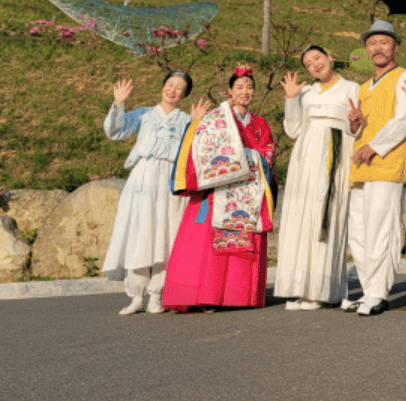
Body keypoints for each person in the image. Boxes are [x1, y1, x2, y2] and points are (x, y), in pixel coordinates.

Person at [162, 64, 277, 312]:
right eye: (240, 87)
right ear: (229, 91)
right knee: (206, 243)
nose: (245, 91)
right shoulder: (217, 119)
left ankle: (239, 296)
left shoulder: (260, 124)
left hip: (248, 191)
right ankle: (205, 295)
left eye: (250, 87)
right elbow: (204, 148)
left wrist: (252, 158)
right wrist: (237, 157)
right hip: (219, 189)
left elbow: (268, 151)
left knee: (243, 241)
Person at [101, 72, 204, 315]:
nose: (173, 90)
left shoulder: (186, 120)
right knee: (140, 234)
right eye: (170, 84)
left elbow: (194, 152)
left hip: (170, 182)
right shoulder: (144, 113)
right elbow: (115, 131)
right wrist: (118, 104)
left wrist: (197, 125)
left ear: (185, 94)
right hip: (143, 178)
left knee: (165, 236)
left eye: (180, 87)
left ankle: (157, 295)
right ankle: (137, 297)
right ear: (162, 86)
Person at [274, 46, 361, 310]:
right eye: (309, 63)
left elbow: (356, 130)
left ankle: (323, 290)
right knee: (301, 217)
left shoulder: (351, 87)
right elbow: (293, 129)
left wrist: (356, 124)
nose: (315, 65)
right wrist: (291, 99)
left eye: (318, 58)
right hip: (305, 159)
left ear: (330, 57)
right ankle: (300, 288)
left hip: (334, 155)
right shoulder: (306, 92)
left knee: (326, 216)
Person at [344, 20, 406, 316]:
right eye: (372, 43)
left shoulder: (404, 78)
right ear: (366, 49)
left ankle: (378, 293)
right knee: (358, 233)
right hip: (361, 168)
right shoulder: (363, 87)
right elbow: (357, 131)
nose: (377, 48)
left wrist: (375, 146)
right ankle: (368, 290)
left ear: (395, 46)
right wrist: (354, 125)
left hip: (387, 165)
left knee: (380, 230)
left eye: (383, 42)